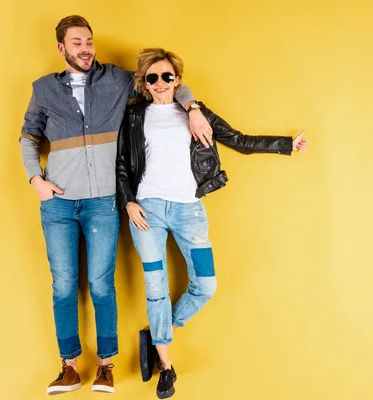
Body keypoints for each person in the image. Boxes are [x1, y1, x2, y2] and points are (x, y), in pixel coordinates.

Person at [19, 16, 212, 395]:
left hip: (103, 203)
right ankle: (69, 366)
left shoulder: (118, 80)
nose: (85, 48)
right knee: (63, 286)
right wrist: (34, 179)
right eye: (76, 43)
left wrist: (192, 108)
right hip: (57, 203)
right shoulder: (43, 89)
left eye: (88, 41)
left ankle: (105, 366)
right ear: (61, 48)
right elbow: (28, 137)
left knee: (101, 285)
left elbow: (166, 82)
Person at [116, 47, 308, 399]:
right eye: (152, 78)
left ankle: (160, 332)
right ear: (144, 82)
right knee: (156, 287)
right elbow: (123, 164)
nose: (160, 83)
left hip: (189, 210)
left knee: (206, 285)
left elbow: (238, 140)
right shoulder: (133, 116)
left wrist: (287, 145)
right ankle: (166, 365)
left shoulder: (195, 112)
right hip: (148, 211)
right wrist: (128, 201)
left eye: (167, 76)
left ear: (178, 79)